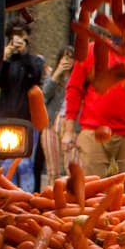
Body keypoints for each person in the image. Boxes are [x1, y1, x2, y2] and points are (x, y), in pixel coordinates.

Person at [62, 39, 125, 177]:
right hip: (93, 133)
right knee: (91, 188)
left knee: (123, 191)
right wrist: (68, 131)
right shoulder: (93, 50)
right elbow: (74, 89)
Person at [0, 17, 44, 193]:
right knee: (7, 164)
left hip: (27, 119)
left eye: (21, 36)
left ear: (27, 37)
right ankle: (8, 196)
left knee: (26, 164)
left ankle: (27, 198)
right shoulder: (5, 61)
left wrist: (24, 56)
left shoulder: (35, 61)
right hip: (6, 118)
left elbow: (35, 78)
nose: (17, 40)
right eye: (14, 36)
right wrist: (5, 60)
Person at [40, 45, 75, 184]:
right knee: (52, 170)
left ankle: (70, 201)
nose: (68, 60)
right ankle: (52, 201)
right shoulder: (53, 75)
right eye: (65, 57)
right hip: (51, 123)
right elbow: (44, 96)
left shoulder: (78, 77)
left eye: (71, 57)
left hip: (69, 123)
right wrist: (58, 72)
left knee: (71, 167)